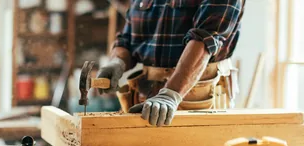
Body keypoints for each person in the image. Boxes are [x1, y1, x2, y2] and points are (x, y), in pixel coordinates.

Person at [97, 0, 245, 126]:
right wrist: (118, 61)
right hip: (146, 94)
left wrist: (170, 94)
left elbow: (206, 40)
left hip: (196, 96)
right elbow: (128, 38)